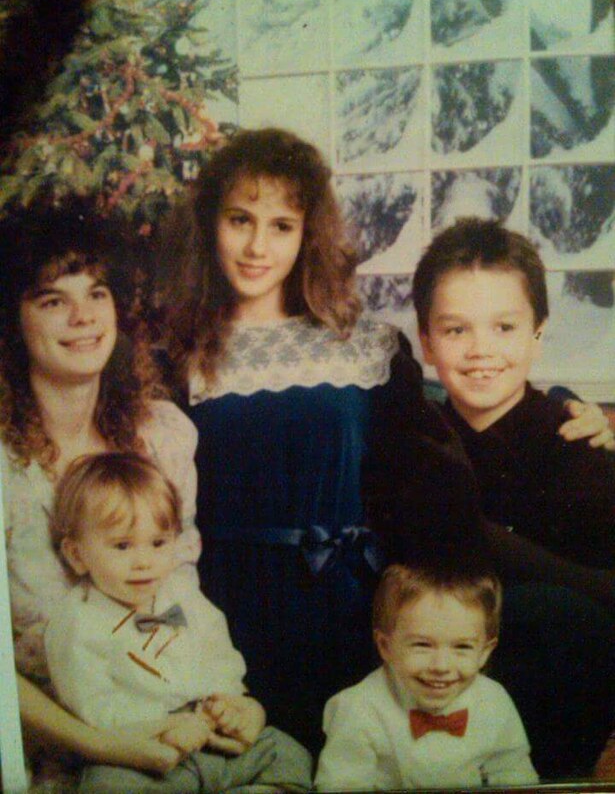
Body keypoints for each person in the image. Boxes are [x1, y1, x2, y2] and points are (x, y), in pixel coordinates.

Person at [162, 127, 611, 753]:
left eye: (282, 226)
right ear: (211, 224)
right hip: (231, 603)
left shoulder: (366, 346)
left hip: (356, 604)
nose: (258, 246)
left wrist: (567, 403)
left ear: (308, 234)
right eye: (240, 220)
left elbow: (434, 488)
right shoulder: (174, 358)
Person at [0, 200, 199, 781]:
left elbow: (183, 602)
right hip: (43, 745)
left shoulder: (160, 439)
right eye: (53, 300)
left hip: (162, 715)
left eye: (97, 293)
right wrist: (106, 746)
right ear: (14, 321)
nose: (83, 316)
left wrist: (213, 699)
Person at [411, 216, 615, 776]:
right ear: (426, 341)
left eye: (504, 327)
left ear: (538, 333)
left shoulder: (580, 444)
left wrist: (487, 542)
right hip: (421, 723)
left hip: (553, 730)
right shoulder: (413, 443)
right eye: (456, 331)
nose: (481, 351)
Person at [45, 451, 312, 792]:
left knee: (287, 755)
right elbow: (94, 707)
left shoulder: (181, 592)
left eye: (158, 543)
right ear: (77, 555)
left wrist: (228, 703)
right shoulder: (77, 621)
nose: (144, 561)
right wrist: (164, 725)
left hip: (212, 734)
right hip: (143, 750)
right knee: (108, 786)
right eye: (122, 546)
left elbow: (216, 647)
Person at [315, 562, 538, 790]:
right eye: (422, 645)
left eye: (462, 647)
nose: (441, 666)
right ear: (385, 647)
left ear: (484, 653)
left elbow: (514, 774)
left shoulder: (493, 699)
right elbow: (341, 785)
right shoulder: (357, 708)